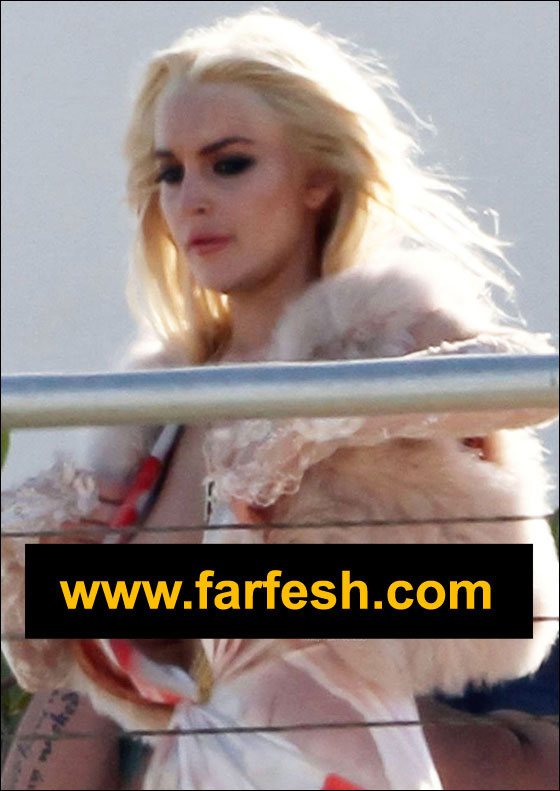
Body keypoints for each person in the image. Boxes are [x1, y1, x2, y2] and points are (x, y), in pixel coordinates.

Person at [2, 7, 558, 790]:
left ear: (318, 178)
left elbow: (524, 394)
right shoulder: (150, 418)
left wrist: (317, 423)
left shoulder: (389, 338)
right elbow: (92, 693)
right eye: (170, 172)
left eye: (229, 164)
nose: (191, 199)